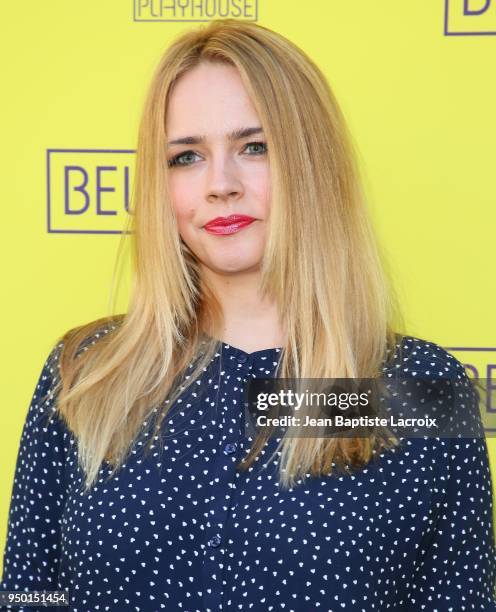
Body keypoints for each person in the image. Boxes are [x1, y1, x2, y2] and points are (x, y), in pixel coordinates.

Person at [1, 18, 495, 612]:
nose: (220, 185)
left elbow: (457, 596)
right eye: (186, 157)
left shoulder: (415, 389)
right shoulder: (87, 375)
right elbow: (30, 593)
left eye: (253, 147)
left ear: (312, 165)